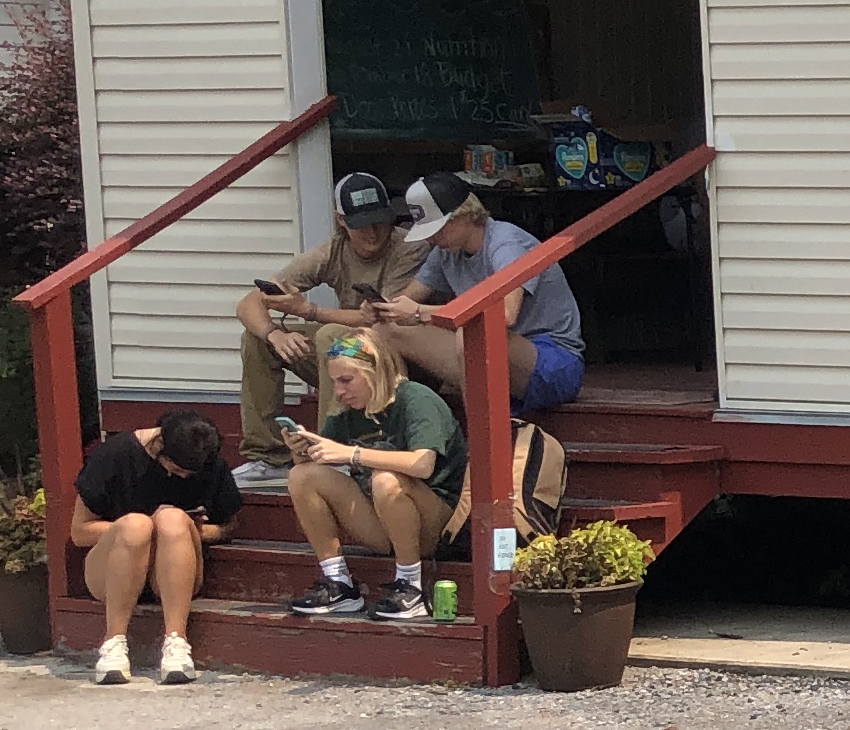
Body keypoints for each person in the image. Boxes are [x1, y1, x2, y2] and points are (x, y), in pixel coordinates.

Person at [231, 169, 418, 485]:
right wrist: (275, 334)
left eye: (379, 221)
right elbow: (249, 303)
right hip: (347, 359)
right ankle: (268, 456)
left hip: (394, 359)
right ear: (341, 221)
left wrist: (309, 311)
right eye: (361, 224)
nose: (373, 232)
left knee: (331, 336)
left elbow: (381, 317)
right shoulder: (331, 250)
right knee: (258, 338)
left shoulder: (409, 247)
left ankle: (329, 452)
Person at [282, 330, 465, 623]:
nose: (338, 391)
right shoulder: (347, 412)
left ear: (375, 371)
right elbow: (323, 460)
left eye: (346, 380)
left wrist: (351, 454)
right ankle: (339, 584)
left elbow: (422, 464)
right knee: (302, 475)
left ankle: (411, 587)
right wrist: (300, 451)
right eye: (334, 382)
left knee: (385, 479)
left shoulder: (416, 399)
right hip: (381, 519)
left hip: (435, 523)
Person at [374, 171, 585, 416]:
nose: (432, 239)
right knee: (384, 331)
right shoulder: (445, 251)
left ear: (465, 215)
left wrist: (420, 313)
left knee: (472, 333)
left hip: (554, 362)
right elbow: (407, 299)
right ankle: (399, 424)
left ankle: (484, 436)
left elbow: (504, 314)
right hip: (488, 355)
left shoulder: (506, 243)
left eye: (438, 229)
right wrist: (385, 309)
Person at [71, 407, 238, 685]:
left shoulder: (208, 462)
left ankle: (176, 641)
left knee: (172, 518)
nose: (182, 478)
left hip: (173, 576)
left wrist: (198, 529)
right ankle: (113, 643)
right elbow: (79, 532)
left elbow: (229, 525)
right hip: (113, 572)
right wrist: (148, 526)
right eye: (176, 470)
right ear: (158, 444)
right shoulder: (115, 454)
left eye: (189, 473)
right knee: (136, 525)